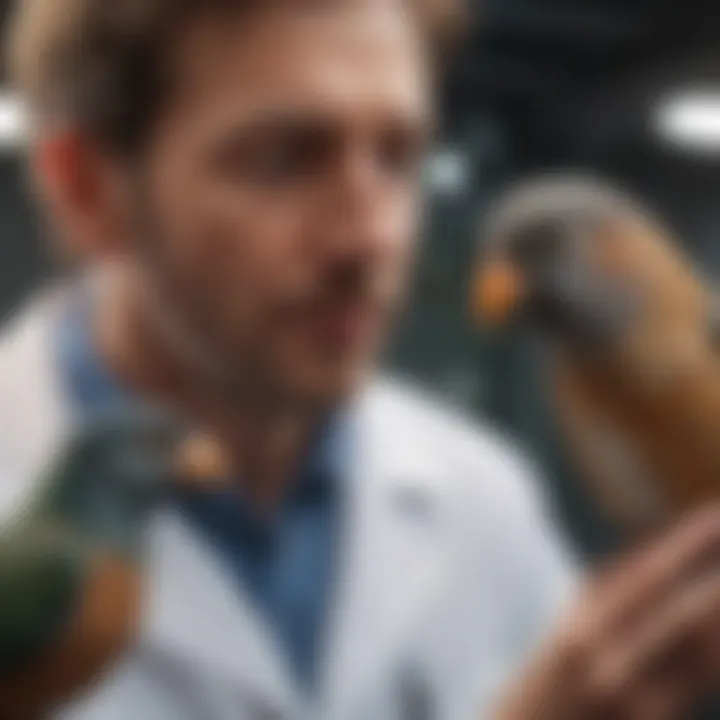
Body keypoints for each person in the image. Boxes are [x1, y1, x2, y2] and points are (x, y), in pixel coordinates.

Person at [1, 1, 719, 719]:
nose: (370, 236)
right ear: (86, 189)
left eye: (401, 157)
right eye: (282, 160)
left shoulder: (486, 501)